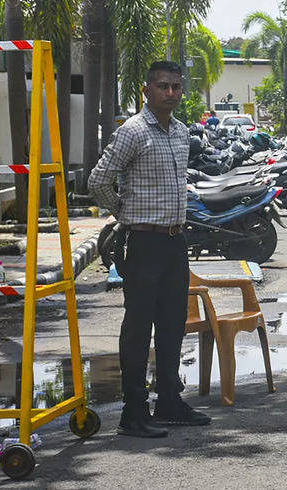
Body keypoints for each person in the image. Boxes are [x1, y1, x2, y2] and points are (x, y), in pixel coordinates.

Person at [90, 60, 210, 438]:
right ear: (146, 90)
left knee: (173, 324)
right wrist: (124, 212)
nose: (170, 93)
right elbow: (99, 180)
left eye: (176, 86)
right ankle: (134, 411)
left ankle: (170, 401)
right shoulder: (133, 131)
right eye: (162, 86)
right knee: (139, 328)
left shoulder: (180, 132)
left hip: (175, 240)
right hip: (142, 242)